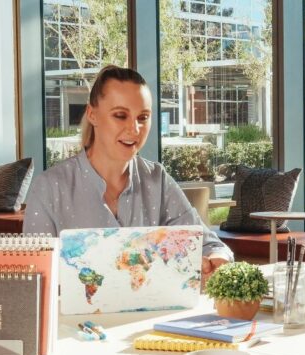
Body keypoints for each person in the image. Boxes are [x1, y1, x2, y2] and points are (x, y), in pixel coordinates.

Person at [24, 65, 233, 282]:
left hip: (153, 316)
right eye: (120, 115)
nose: (134, 129)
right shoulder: (49, 188)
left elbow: (208, 244)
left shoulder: (157, 180)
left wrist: (216, 257)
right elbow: (34, 282)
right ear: (92, 114)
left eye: (143, 117)